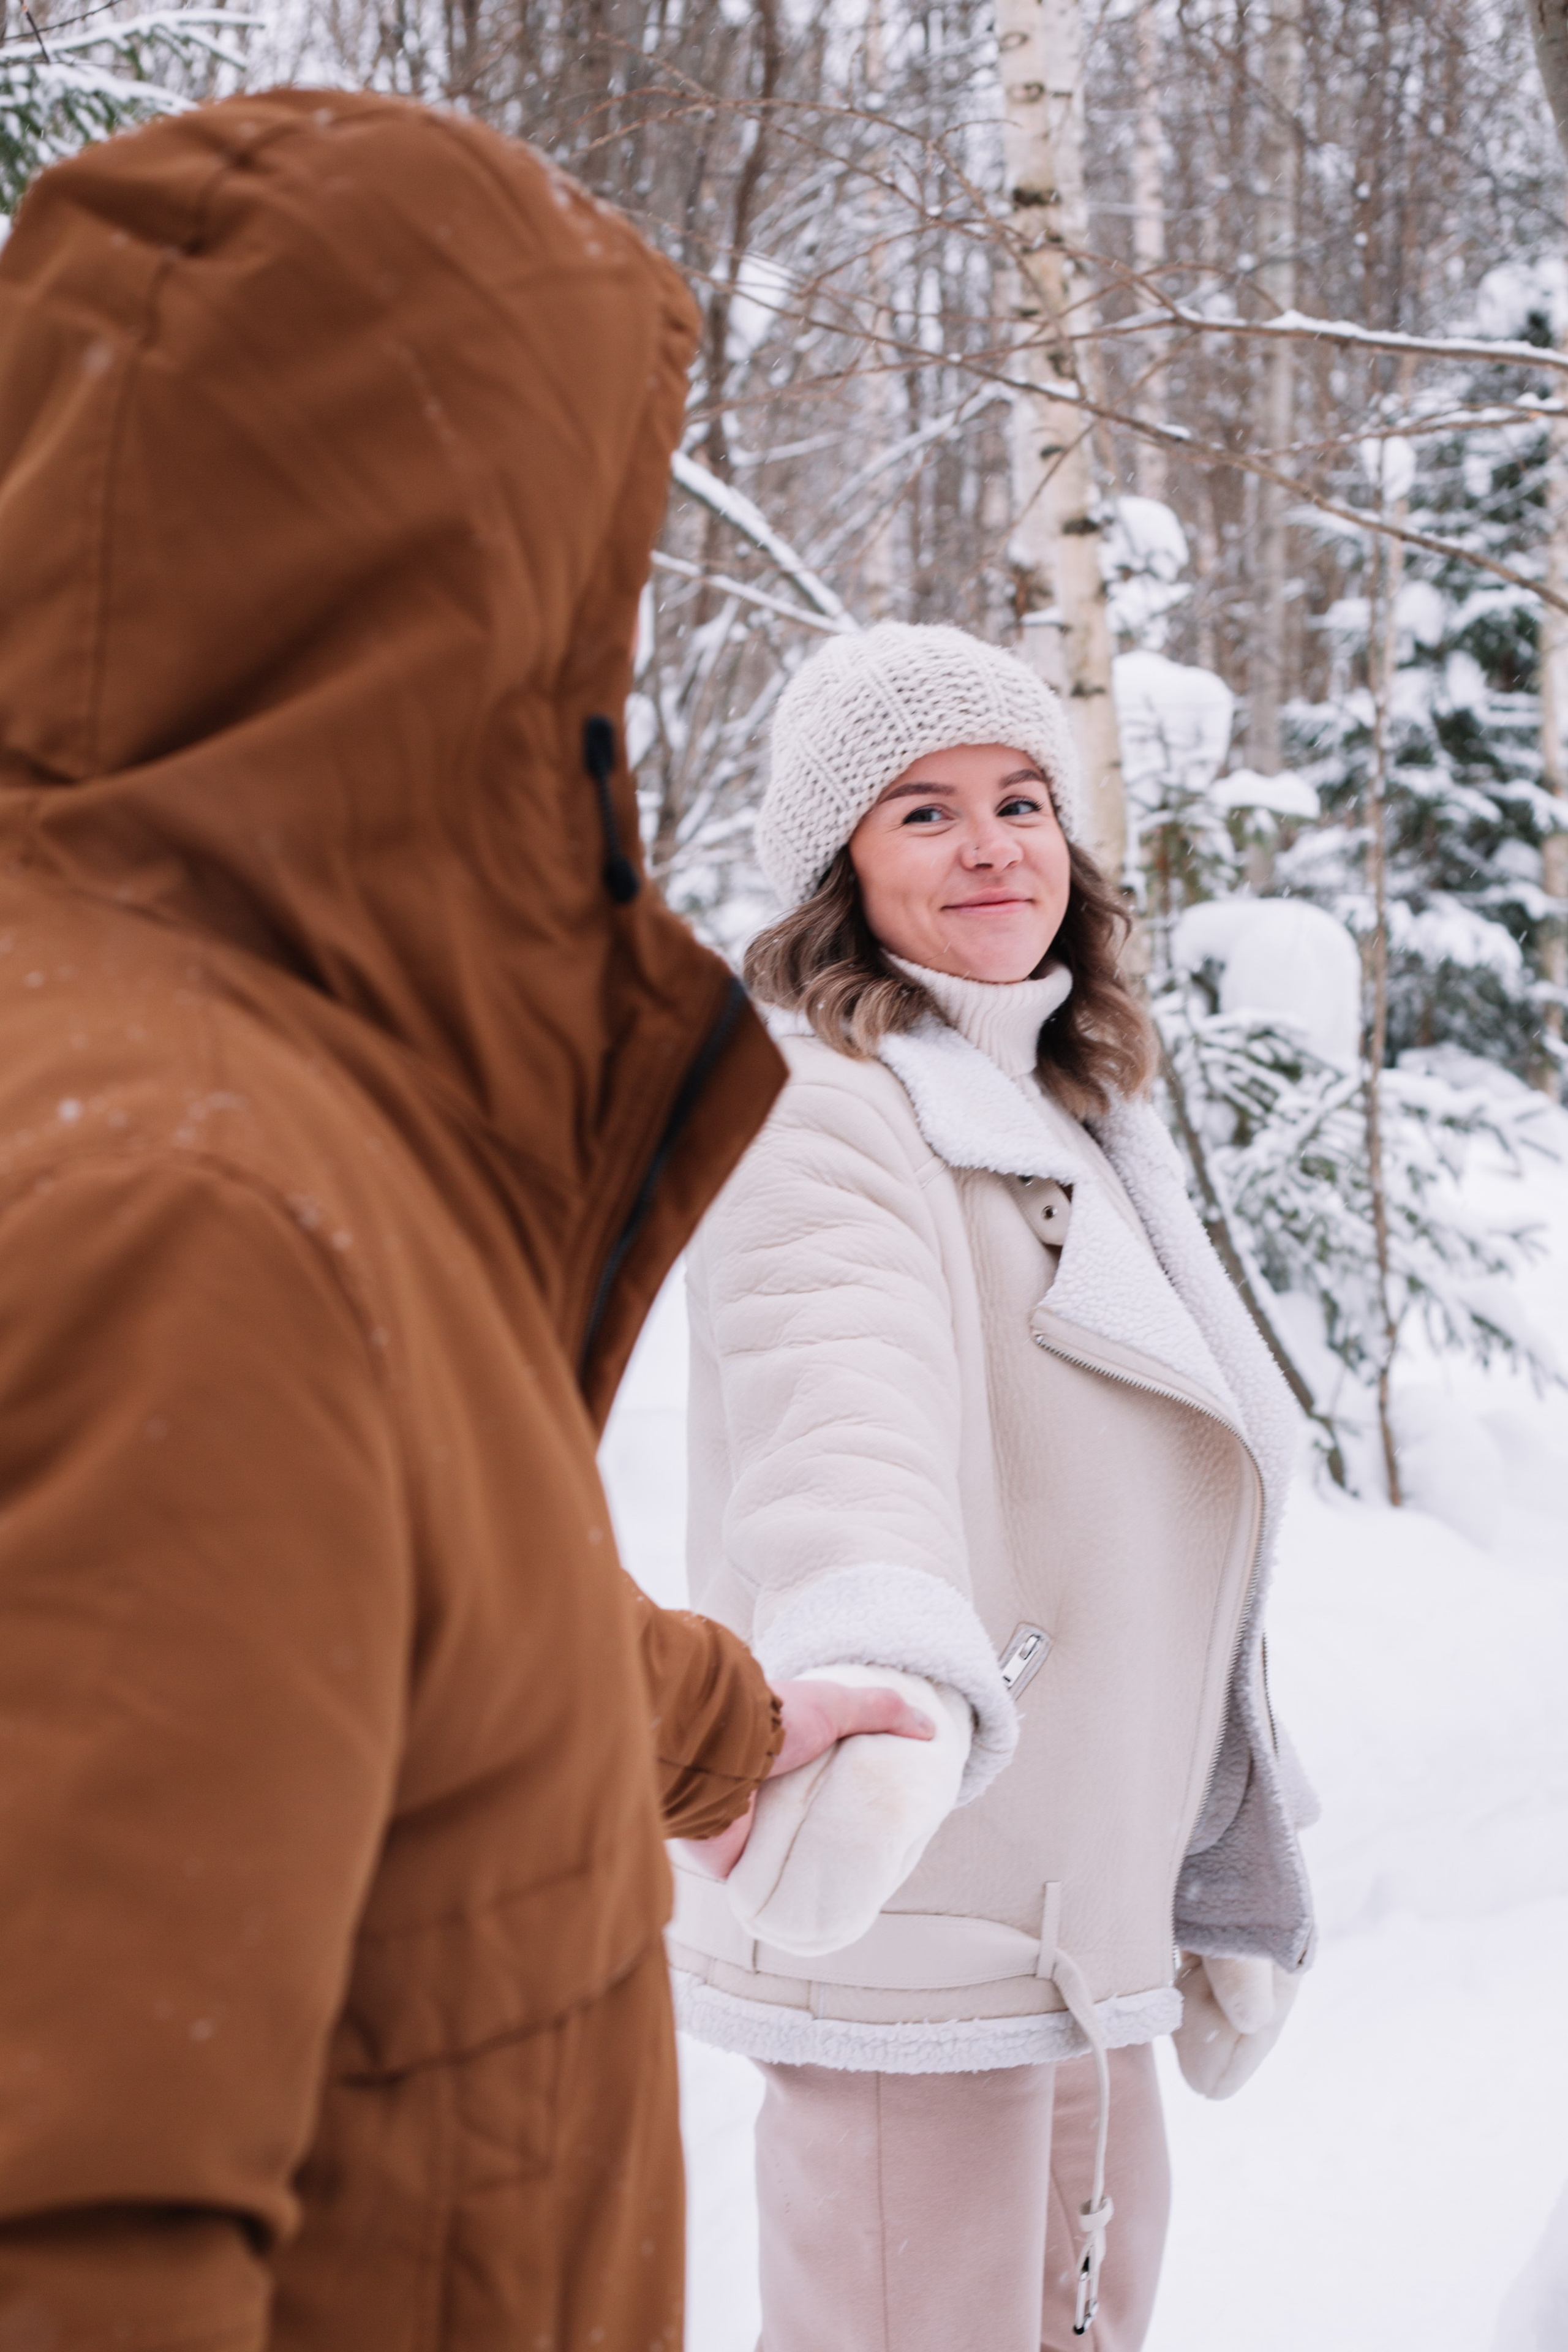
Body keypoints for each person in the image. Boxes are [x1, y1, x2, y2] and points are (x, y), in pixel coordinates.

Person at [0, 90, 930, 2351]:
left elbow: (312, 1592)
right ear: (448, 593)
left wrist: (719, 1728)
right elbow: (71, 2225)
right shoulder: (195, 1196)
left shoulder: (196, 1090)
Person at [668, 622, 1320, 2350]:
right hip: (930, 1884)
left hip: (1073, 1898)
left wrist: (1211, 1837)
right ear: (841, 868)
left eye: (1022, 799)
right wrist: (880, 1656)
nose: (993, 846)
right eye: (925, 811)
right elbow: (838, 1400)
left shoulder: (1070, 1103)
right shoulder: (822, 1104)